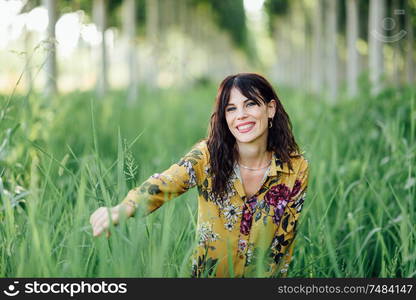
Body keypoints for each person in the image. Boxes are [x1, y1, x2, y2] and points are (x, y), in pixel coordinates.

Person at [89, 72, 309, 278]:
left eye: (250, 104)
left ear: (270, 109)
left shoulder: (295, 168)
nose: (241, 115)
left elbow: (282, 244)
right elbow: (166, 182)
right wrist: (124, 207)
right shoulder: (207, 156)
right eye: (231, 108)